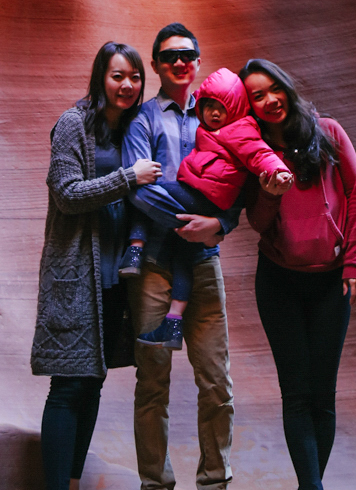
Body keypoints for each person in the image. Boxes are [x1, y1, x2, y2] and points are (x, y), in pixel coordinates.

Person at [30, 42, 160, 490]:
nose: (127, 85)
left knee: (94, 384)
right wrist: (127, 179)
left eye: (134, 77)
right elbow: (65, 192)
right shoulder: (72, 124)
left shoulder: (131, 129)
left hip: (114, 280)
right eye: (117, 76)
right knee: (68, 388)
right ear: (99, 77)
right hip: (73, 278)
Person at [241, 58, 356, 490]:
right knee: (296, 394)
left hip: (329, 284)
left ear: (287, 90)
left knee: (323, 395)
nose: (269, 99)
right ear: (248, 106)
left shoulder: (330, 133)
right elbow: (255, 221)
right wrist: (271, 194)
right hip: (279, 283)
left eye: (274, 89)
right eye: (257, 95)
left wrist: (355, 262)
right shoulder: (254, 151)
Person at [122, 24, 239, 490]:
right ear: (156, 64)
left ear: (198, 60)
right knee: (153, 384)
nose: (181, 63)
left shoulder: (221, 114)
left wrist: (222, 223)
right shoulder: (144, 119)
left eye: (188, 55)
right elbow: (136, 189)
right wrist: (194, 217)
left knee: (216, 382)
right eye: (169, 57)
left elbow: (238, 181)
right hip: (156, 267)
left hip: (205, 262)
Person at [121, 67, 293, 349]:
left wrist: (278, 170)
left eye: (221, 108)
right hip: (201, 196)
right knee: (183, 257)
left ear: (235, 108)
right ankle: (173, 324)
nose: (213, 113)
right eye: (208, 106)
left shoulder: (240, 128)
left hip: (202, 196)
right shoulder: (203, 127)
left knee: (145, 190)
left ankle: (135, 247)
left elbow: (260, 153)